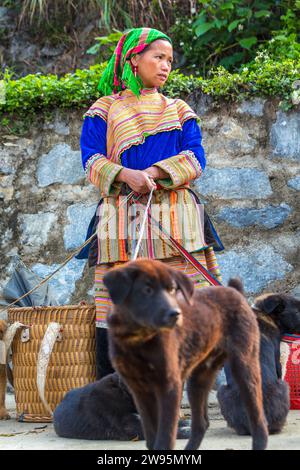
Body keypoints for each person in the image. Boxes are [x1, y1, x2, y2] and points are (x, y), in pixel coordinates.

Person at [77, 27, 224, 379]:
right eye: (158, 57)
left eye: (169, 60)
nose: (165, 66)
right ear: (133, 59)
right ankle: (116, 396)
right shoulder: (104, 110)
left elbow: (195, 158)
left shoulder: (179, 110)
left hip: (177, 218)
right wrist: (126, 175)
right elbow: (90, 159)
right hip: (122, 217)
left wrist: (155, 172)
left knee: (181, 305)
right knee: (116, 307)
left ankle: (173, 395)